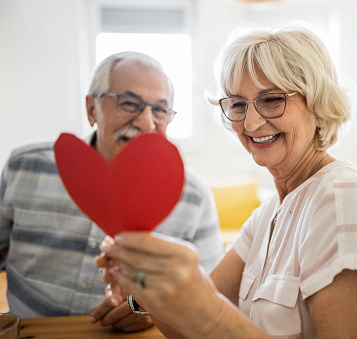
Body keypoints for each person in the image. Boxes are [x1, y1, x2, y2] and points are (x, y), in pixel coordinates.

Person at [96, 27, 357, 338]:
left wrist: (202, 304)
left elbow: (208, 312)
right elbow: (194, 326)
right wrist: (144, 282)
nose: (251, 121)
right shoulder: (270, 212)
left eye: (272, 99)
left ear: (319, 106)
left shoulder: (346, 201)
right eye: (237, 104)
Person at [0, 51, 224, 332]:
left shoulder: (194, 195)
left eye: (160, 110)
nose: (146, 122)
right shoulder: (25, 166)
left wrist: (153, 310)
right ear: (92, 109)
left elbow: (211, 295)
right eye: (129, 104)